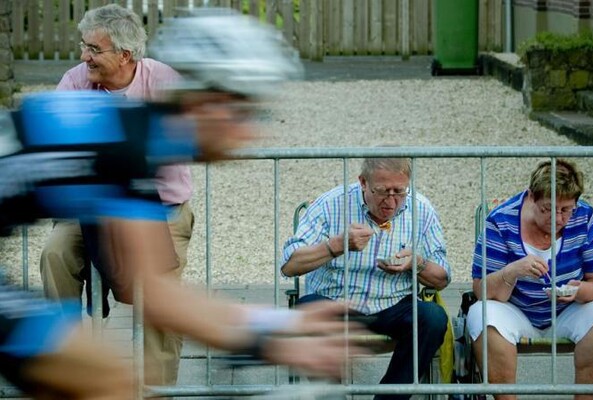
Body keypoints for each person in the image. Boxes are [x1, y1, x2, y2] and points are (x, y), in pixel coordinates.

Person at [0, 9, 367, 399]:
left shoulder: (133, 141)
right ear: (207, 102)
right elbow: (163, 301)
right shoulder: (125, 143)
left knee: (103, 381)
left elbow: (154, 292)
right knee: (104, 378)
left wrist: (275, 329)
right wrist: (272, 332)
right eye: (244, 112)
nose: (249, 132)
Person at [38, 4, 194, 386]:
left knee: (160, 298)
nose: (83, 56)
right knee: (55, 253)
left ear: (125, 55)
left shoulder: (163, 80)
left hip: (161, 208)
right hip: (90, 206)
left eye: (93, 49)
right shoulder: (75, 81)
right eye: (83, 46)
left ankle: (158, 389)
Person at [280, 157, 451, 400]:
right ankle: (333, 397)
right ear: (363, 182)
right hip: (336, 301)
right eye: (382, 191)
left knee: (433, 318)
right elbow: (289, 265)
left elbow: (442, 279)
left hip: (393, 304)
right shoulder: (331, 204)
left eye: (399, 191)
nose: (391, 202)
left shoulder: (421, 209)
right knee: (305, 310)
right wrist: (336, 245)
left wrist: (417, 263)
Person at [466, 159, 593, 400]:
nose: (557, 219)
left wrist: (579, 291)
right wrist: (512, 272)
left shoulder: (586, 217)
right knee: (482, 316)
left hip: (569, 309)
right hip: (516, 309)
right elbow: (481, 290)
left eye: (566, 209)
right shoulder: (501, 220)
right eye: (548, 208)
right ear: (531, 197)